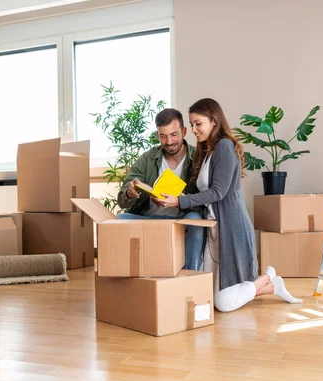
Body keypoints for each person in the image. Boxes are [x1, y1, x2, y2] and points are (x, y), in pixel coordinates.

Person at [153, 98, 302, 312]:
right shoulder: (206, 151)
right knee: (212, 298)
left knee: (223, 304)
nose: (194, 130)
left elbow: (217, 192)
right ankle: (271, 287)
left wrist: (179, 201)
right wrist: (176, 199)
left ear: (214, 121)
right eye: (192, 124)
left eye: (198, 124)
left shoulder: (224, 147)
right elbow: (205, 193)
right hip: (213, 229)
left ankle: (268, 276)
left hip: (231, 228)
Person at [117, 108, 206, 271]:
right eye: (163, 136)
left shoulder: (198, 157)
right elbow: (122, 200)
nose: (169, 141)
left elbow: (206, 199)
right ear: (157, 135)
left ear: (184, 131)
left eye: (174, 135)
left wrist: (179, 202)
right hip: (151, 219)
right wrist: (130, 192)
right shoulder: (148, 158)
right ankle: (125, 273)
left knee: (197, 220)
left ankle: (190, 274)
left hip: (182, 220)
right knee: (118, 219)